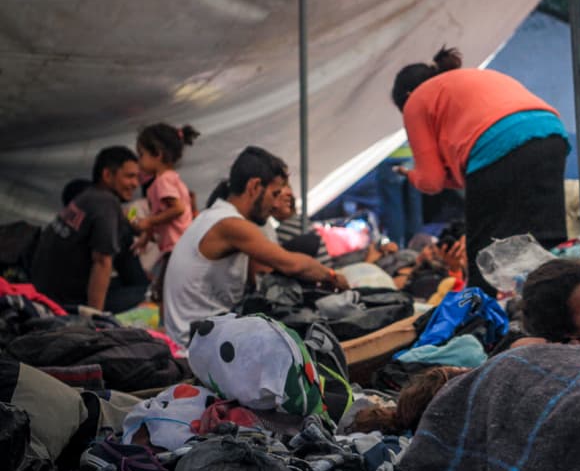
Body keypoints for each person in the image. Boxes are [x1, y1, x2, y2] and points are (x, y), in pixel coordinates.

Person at [391, 46, 569, 297]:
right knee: (542, 240)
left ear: (406, 95)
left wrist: (408, 173)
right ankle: (564, 301)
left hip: (496, 145)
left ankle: (483, 320)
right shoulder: (468, 79)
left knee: (482, 253)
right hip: (550, 135)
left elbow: (431, 181)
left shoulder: (416, 100)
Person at [163, 147, 348, 345]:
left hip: (200, 333)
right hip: (195, 345)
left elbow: (262, 273)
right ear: (254, 186)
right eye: (274, 194)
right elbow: (292, 264)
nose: (276, 205)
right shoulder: (230, 224)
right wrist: (332, 276)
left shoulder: (216, 216)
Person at [30, 147, 145, 312]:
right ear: (107, 175)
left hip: (47, 291)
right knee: (149, 293)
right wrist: (94, 318)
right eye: (129, 176)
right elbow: (102, 262)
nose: (135, 184)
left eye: (137, 177)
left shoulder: (87, 196)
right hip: (67, 302)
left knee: (125, 236)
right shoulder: (106, 204)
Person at [134, 123, 199, 302]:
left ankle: (166, 325)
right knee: (167, 291)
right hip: (181, 246)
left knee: (163, 293)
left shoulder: (162, 181)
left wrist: (149, 222)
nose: (139, 162)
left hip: (175, 247)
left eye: (141, 155)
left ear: (158, 154)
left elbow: (177, 209)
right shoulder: (172, 178)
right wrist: (146, 237)